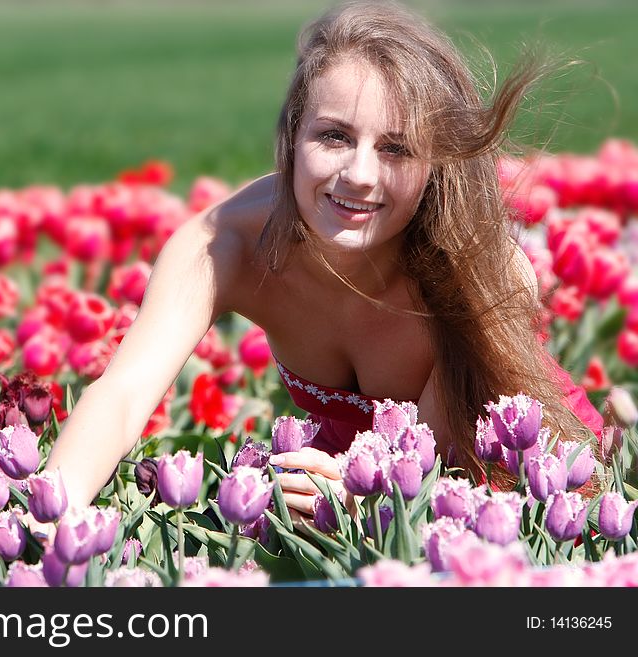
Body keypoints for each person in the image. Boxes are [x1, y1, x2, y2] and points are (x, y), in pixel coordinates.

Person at [37, 1, 602, 530]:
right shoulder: (222, 244)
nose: (359, 173)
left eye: (396, 149)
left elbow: (436, 476)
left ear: (436, 163)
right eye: (334, 136)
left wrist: (362, 499)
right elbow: (122, 396)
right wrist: (45, 524)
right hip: (337, 487)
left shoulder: (479, 268)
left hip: (509, 491)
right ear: (291, 137)